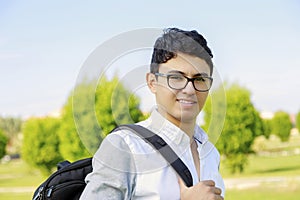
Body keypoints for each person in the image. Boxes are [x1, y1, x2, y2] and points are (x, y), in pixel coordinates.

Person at [80, 27, 225, 199]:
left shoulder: (210, 152)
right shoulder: (124, 146)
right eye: (176, 78)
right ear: (152, 82)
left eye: (199, 79)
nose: (189, 89)